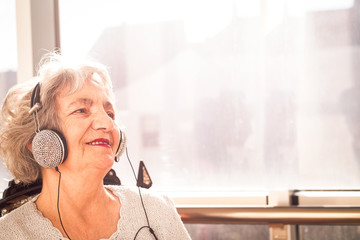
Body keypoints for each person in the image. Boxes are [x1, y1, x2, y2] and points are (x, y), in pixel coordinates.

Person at [0, 52, 191, 240]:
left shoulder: (157, 210)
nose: (107, 124)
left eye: (110, 113)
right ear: (38, 141)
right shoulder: (8, 233)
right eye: (81, 110)